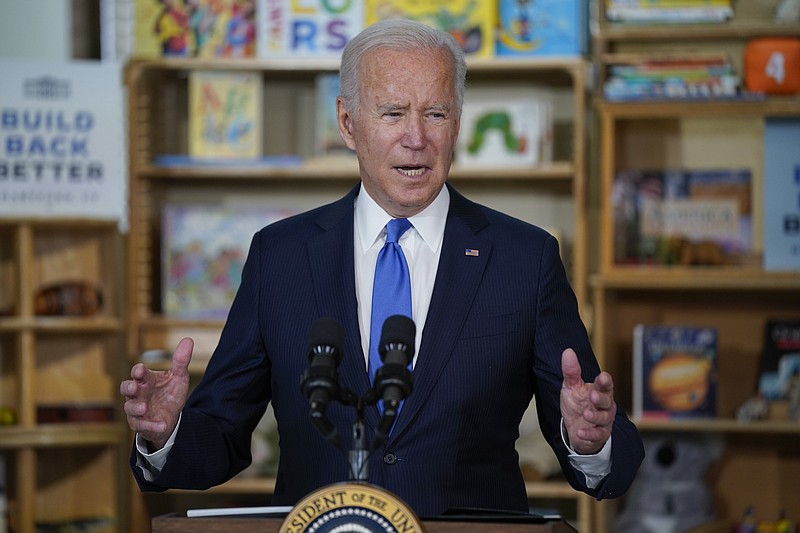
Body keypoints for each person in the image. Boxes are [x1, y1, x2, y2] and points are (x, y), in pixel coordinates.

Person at [121, 18, 644, 518]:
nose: (416, 138)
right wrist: (165, 433)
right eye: (393, 113)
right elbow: (221, 437)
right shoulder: (279, 256)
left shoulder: (524, 258)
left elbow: (605, 450)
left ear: (457, 124)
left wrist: (590, 441)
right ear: (348, 124)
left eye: (436, 114)